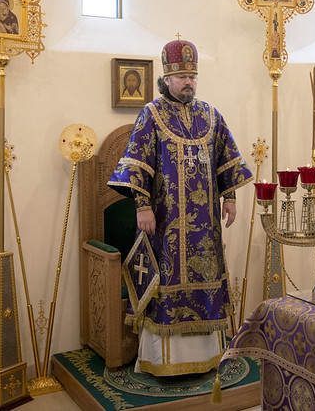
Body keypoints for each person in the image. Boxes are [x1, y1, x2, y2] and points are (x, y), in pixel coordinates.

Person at [108, 37, 253, 376]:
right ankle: (163, 362)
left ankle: (207, 357)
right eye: (182, 77)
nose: (189, 82)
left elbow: (226, 157)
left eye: (193, 76)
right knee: (167, 281)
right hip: (165, 222)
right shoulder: (151, 115)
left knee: (206, 276)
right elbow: (137, 164)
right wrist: (142, 206)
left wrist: (230, 197)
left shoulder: (210, 115)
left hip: (205, 226)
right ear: (167, 78)